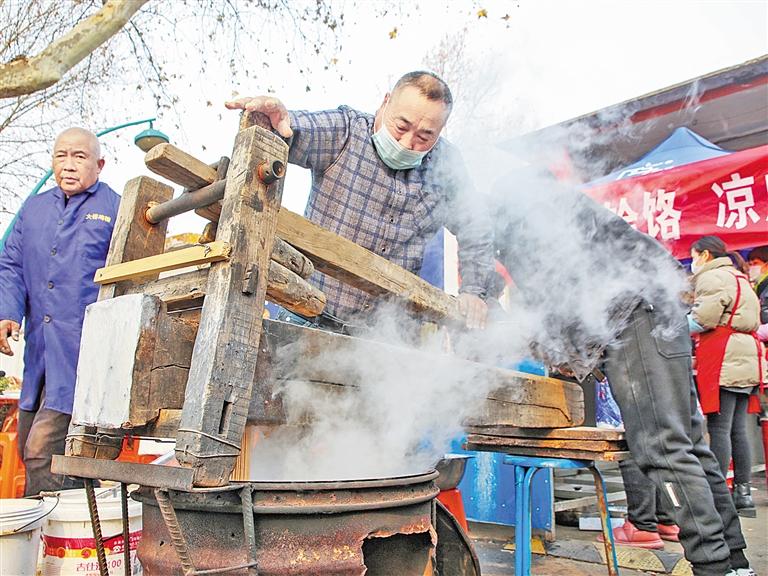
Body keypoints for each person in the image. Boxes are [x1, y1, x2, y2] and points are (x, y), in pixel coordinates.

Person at [490, 168, 755, 576]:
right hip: (656, 311)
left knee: (662, 448)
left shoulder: (529, 217)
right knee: (690, 447)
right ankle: (735, 564)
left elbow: (556, 298)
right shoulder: (554, 209)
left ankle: (714, 568)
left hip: (634, 317)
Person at [225, 71, 495, 330]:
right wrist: (275, 120)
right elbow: (292, 129)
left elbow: (476, 226)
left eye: (425, 137)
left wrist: (473, 291)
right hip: (308, 314)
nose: (406, 143)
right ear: (385, 102)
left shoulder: (446, 166)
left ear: (440, 132)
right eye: (401, 126)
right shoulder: (345, 131)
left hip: (387, 335)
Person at [0, 128, 120, 496]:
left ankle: (52, 545)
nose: (68, 166)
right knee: (27, 449)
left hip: (86, 358)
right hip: (39, 354)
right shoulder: (33, 209)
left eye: (79, 157)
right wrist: (7, 313)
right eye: (61, 156)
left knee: (43, 450)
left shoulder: (116, 207)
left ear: (99, 164)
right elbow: (12, 265)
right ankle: (78, 531)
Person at [690, 236, 766, 518]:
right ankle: (742, 494)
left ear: (706, 255)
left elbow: (703, 319)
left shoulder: (713, 278)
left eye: (694, 256)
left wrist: (670, 326)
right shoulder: (740, 277)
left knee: (719, 427)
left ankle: (717, 493)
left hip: (726, 357)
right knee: (738, 429)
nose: (693, 262)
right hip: (746, 357)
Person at [746, 245, 768, 342]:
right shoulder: (758, 286)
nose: (752, 268)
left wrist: (756, 333)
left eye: (755, 263)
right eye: (750, 264)